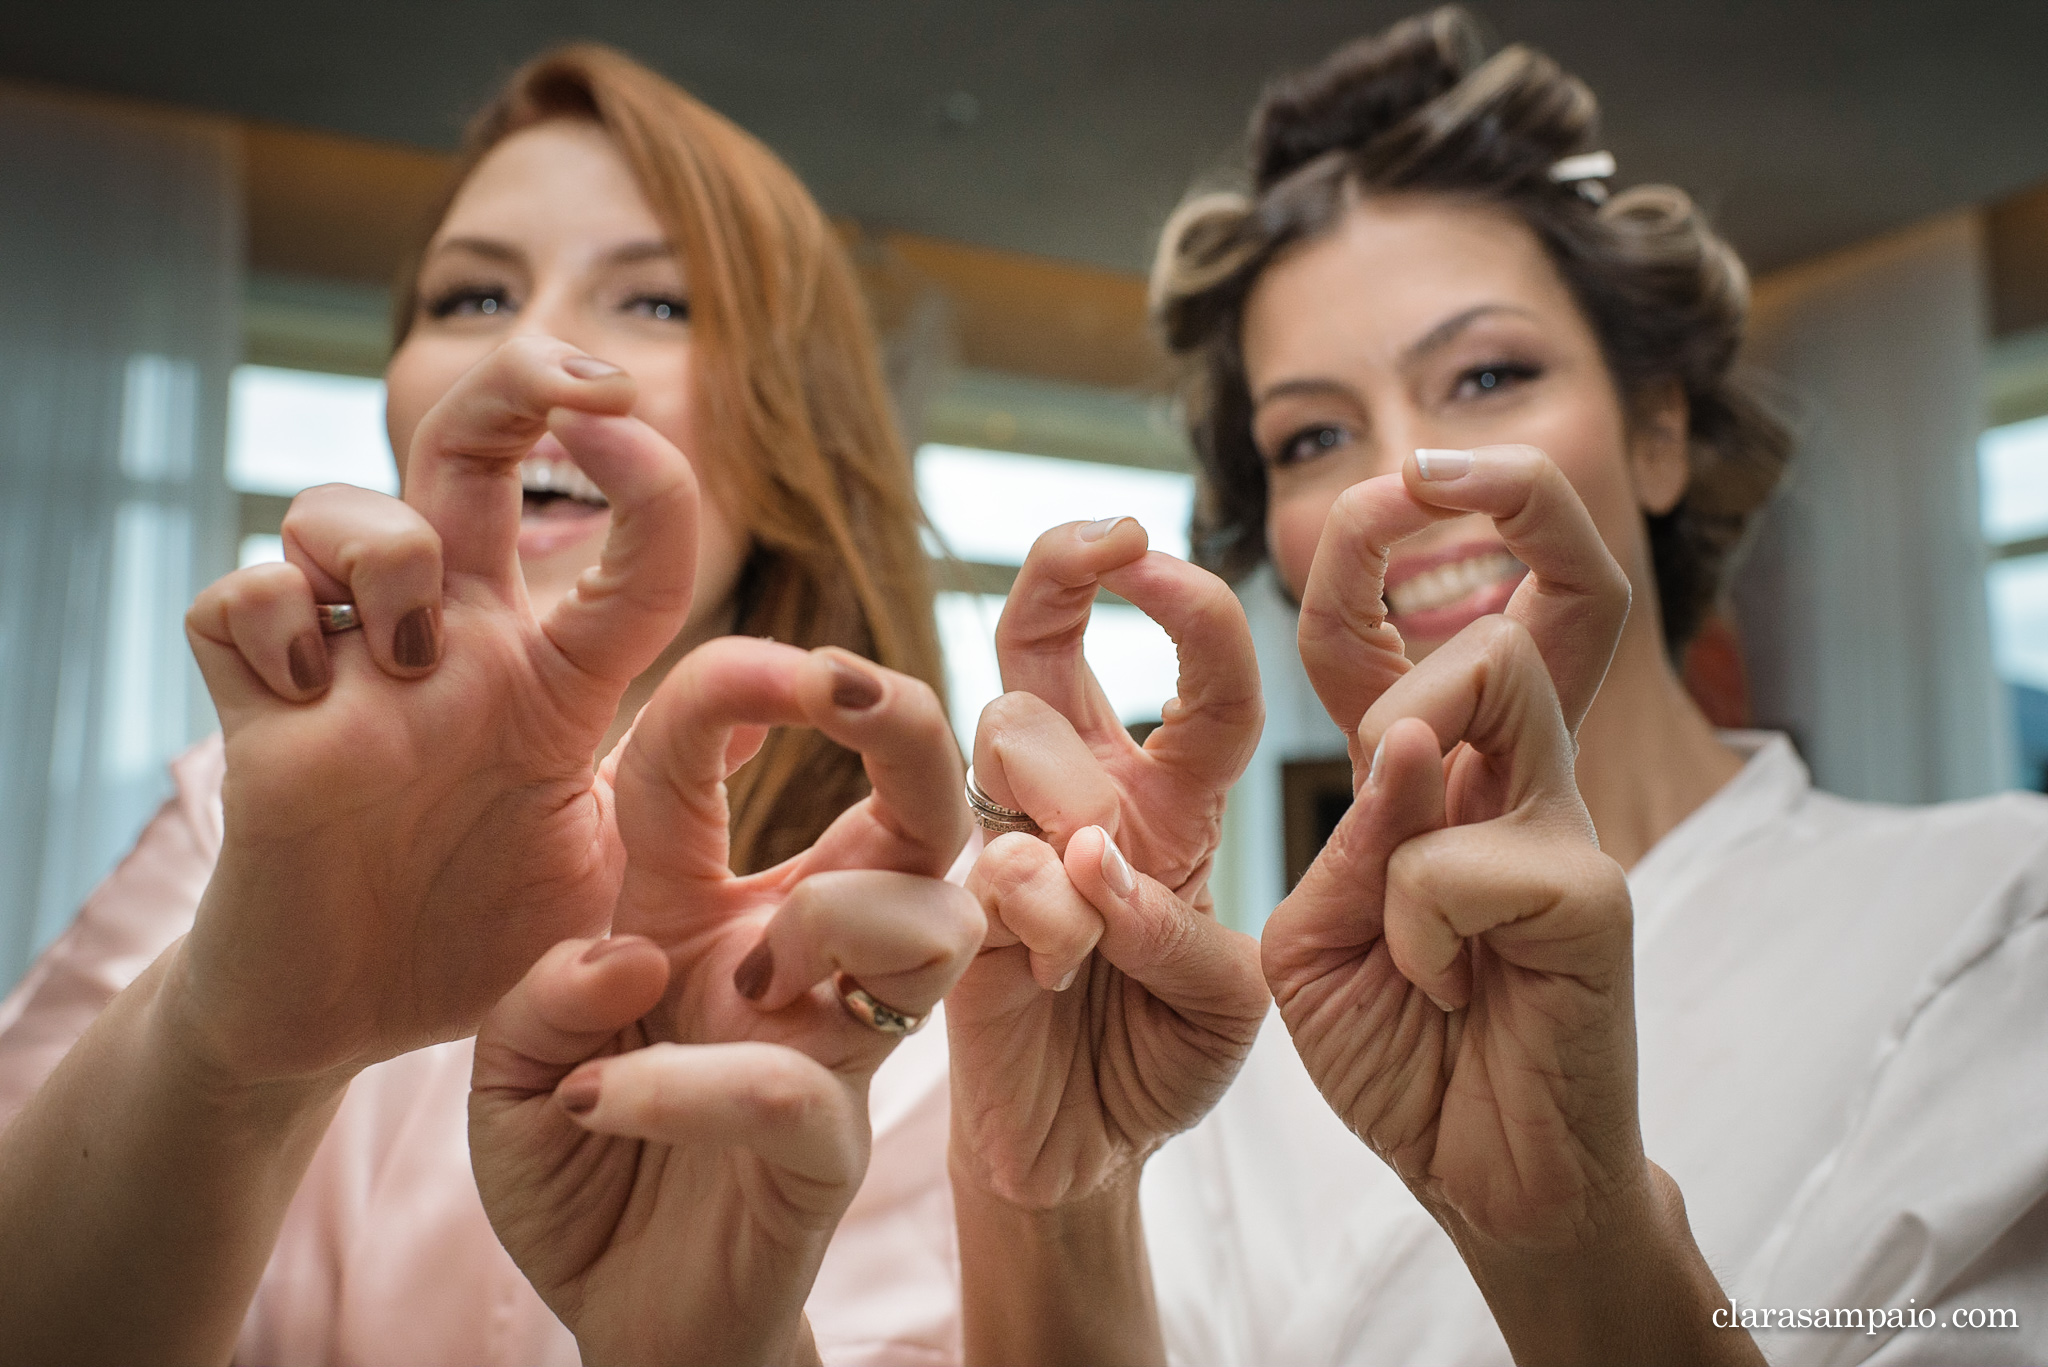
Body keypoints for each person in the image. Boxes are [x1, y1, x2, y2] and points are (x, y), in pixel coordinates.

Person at [947, 8, 2048, 1366]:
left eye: (1488, 374)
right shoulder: (1236, 1016)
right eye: (1313, 435)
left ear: (1659, 434)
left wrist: (1578, 1249)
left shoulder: (2005, 914)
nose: (1398, 484)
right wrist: (1052, 1198)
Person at [0, 45, 984, 1367]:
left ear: (800, 420)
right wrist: (233, 1052)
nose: (535, 348)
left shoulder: (922, 939)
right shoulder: (234, 821)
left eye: (659, 304)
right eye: (472, 295)